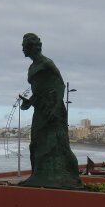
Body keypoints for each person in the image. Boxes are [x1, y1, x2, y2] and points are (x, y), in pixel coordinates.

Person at [17, 33, 83, 189]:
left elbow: (60, 85)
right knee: (36, 143)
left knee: (58, 143)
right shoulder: (32, 67)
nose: (22, 49)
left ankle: (68, 177)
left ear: (31, 46)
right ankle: (37, 175)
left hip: (53, 108)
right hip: (40, 108)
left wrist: (55, 108)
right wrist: (29, 101)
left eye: (24, 45)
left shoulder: (47, 63)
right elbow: (38, 91)